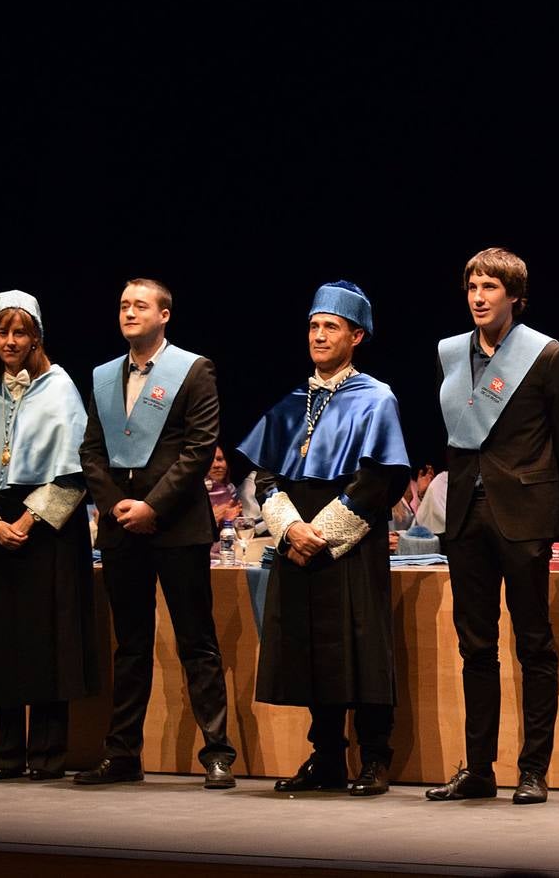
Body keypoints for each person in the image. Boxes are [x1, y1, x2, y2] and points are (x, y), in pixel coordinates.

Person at [425, 248, 559, 806]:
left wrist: (550, 507)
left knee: (533, 643)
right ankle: (478, 769)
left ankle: (532, 769)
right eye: (472, 285)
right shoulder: (451, 353)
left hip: (524, 516)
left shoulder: (546, 355)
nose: (478, 296)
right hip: (465, 517)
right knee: (476, 646)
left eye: (490, 287)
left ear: (514, 296)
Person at [238, 280, 409, 797]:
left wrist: (323, 534)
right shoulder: (292, 402)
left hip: (349, 544)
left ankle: (375, 758)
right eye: (313, 325)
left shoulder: (376, 399)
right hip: (298, 540)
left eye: (330, 326)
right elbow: (266, 477)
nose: (318, 334)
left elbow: (377, 480)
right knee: (313, 650)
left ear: (356, 336)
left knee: (363, 648)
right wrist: (291, 528)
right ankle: (327, 757)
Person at [76, 278, 238, 788]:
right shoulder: (104, 376)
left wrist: (152, 506)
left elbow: (199, 448)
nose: (129, 312)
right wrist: (114, 507)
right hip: (122, 526)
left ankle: (217, 753)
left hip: (176, 526)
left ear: (164, 315)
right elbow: (91, 451)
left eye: (140, 305)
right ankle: (122, 753)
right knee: (130, 645)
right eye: (123, 304)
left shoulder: (192, 369)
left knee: (197, 641)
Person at [0, 291, 98, 779]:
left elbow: (75, 473)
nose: (10, 341)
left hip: (48, 533)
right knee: (5, 643)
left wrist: (27, 521)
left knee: (51, 640)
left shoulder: (61, 388)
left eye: (20, 332)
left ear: (37, 337)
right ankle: (6, 754)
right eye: (2, 332)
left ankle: (48, 755)